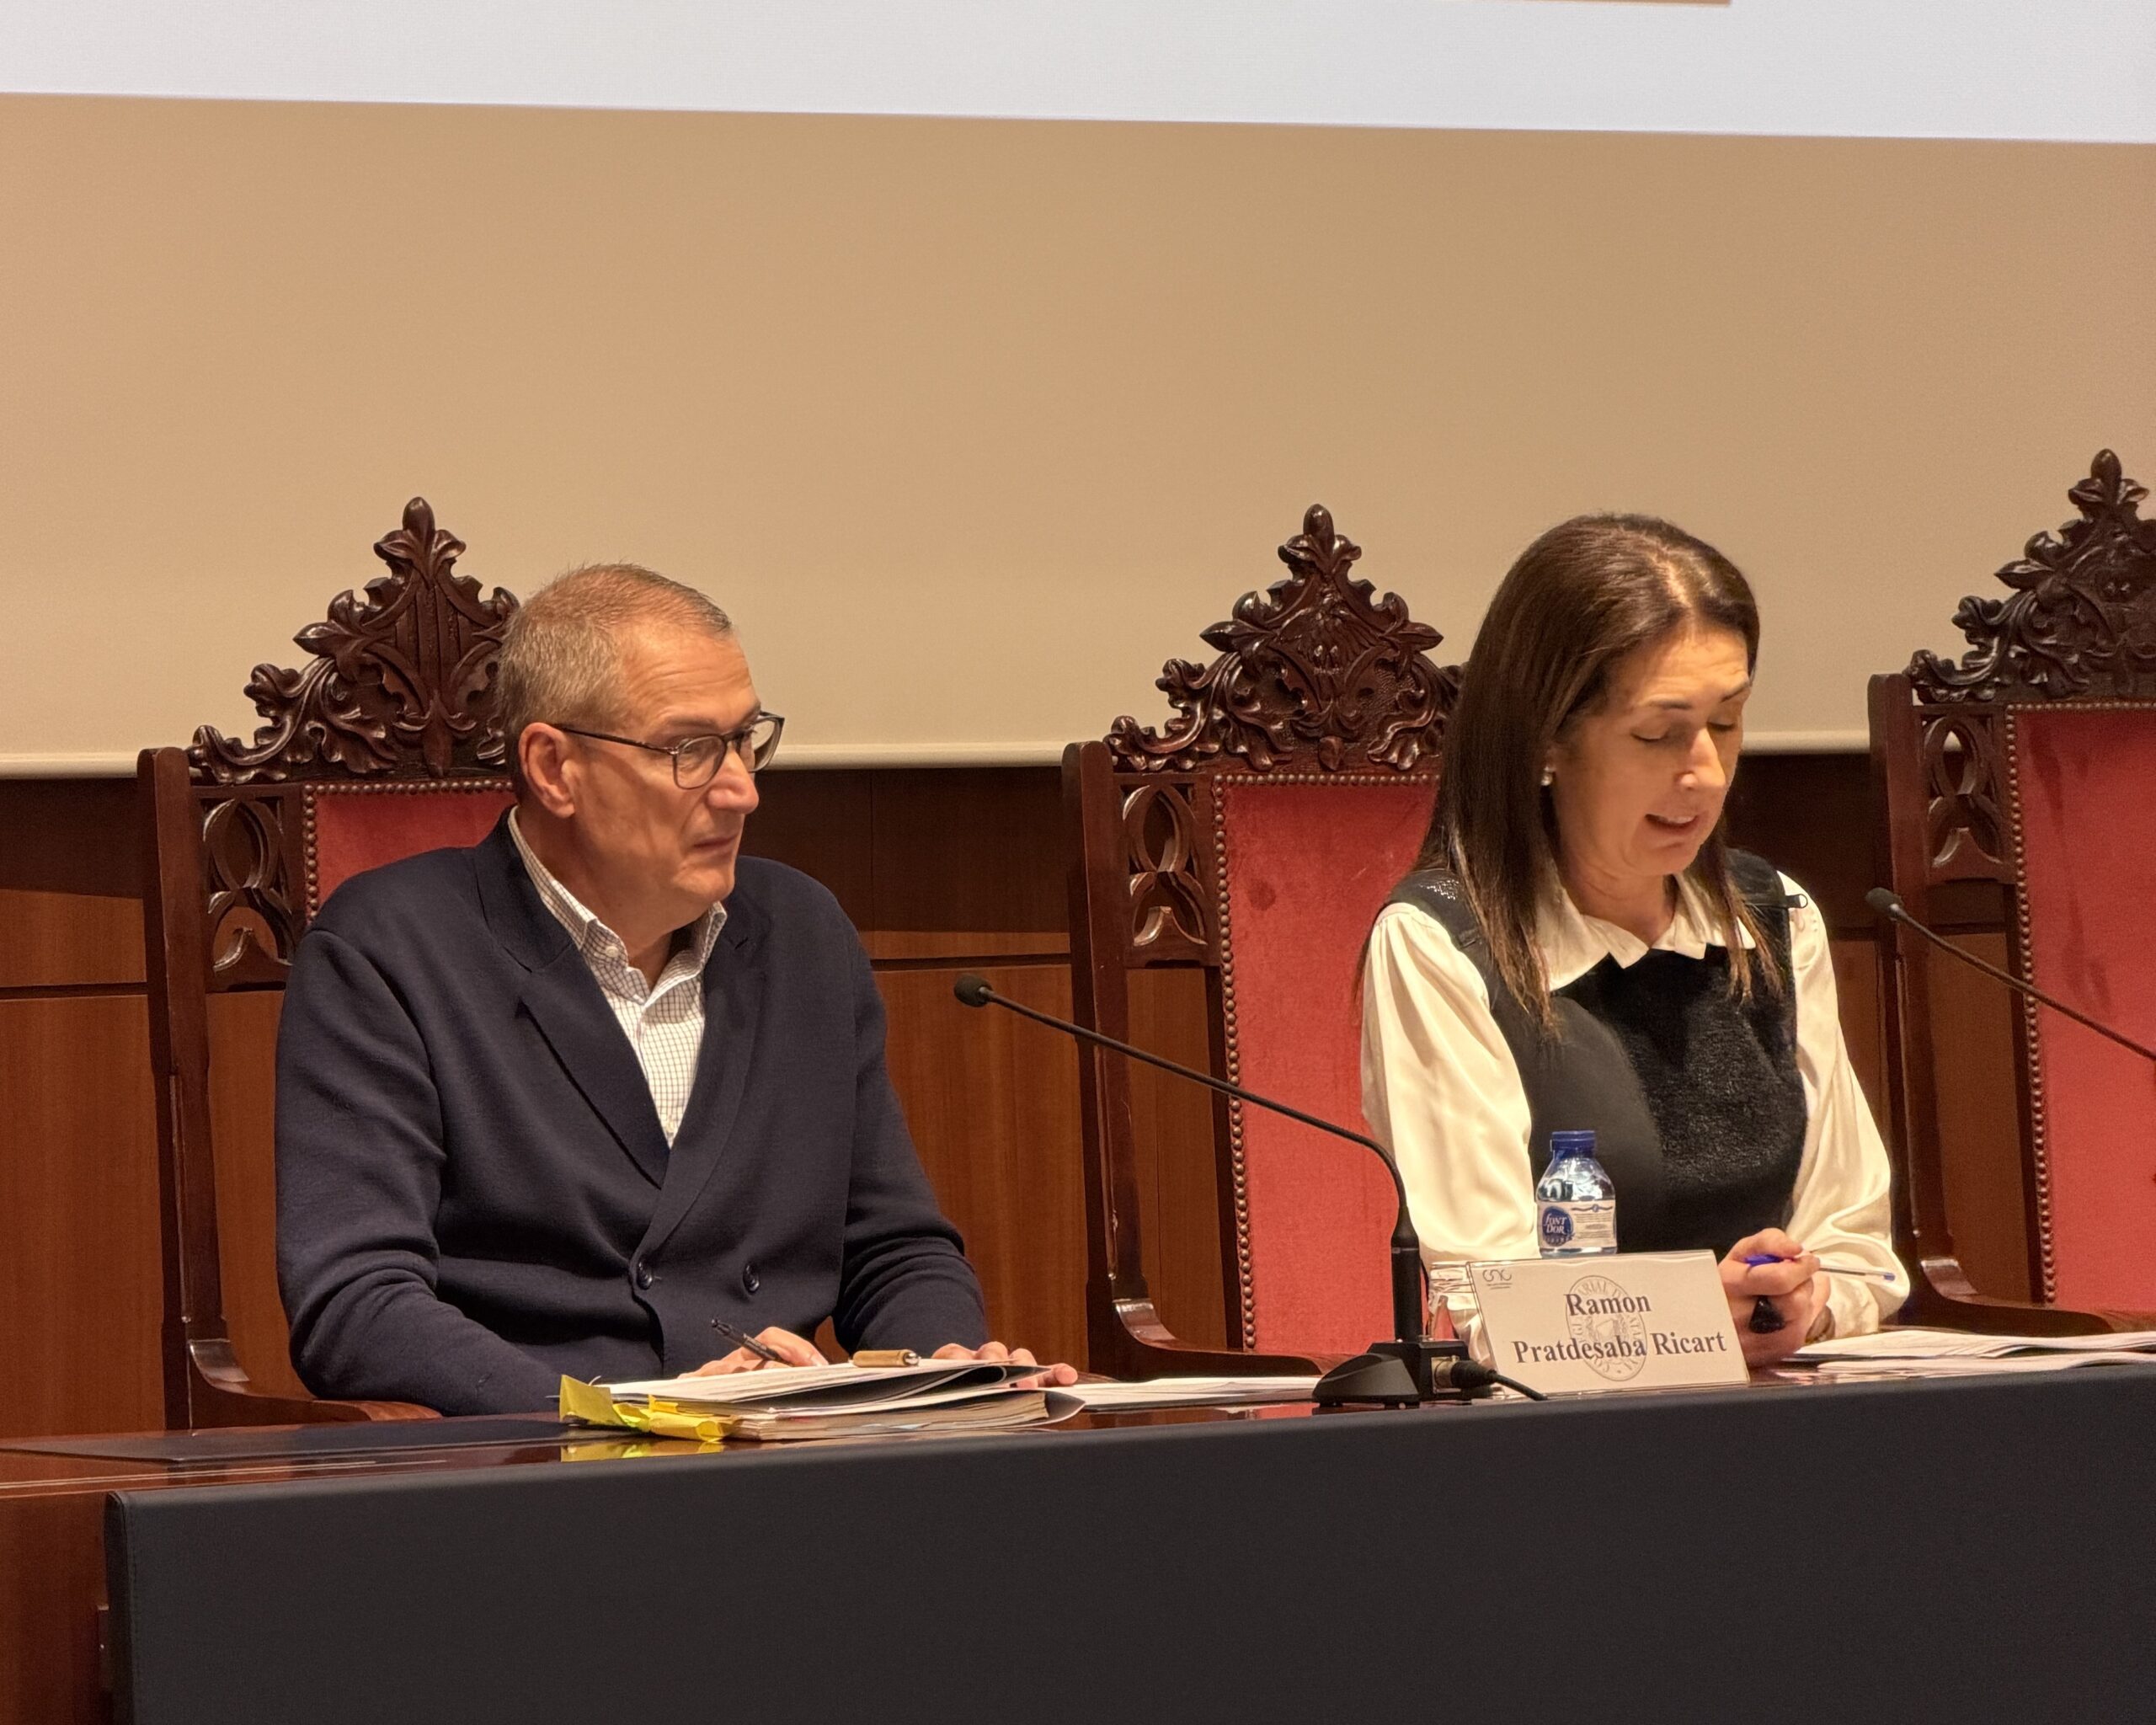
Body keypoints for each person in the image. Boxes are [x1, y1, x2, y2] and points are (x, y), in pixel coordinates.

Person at [277, 563, 1066, 1413]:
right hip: (540, 1458)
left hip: (786, 1452)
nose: (742, 790)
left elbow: (892, 1247)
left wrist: (944, 1367)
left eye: (745, 738)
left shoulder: (801, 932)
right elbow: (356, 1304)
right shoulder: (390, 948)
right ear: (554, 767)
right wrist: (623, 1412)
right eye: (690, 750)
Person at [1359, 515, 1906, 1366]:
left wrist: (1808, 1301)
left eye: (1727, 722)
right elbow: (1489, 1300)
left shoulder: (1772, 918)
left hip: (1786, 1404)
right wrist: (1693, 1319)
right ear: (1547, 739)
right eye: (1658, 733)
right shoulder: (1443, 943)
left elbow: (1856, 1249)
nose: (1706, 772)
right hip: (1567, 1429)